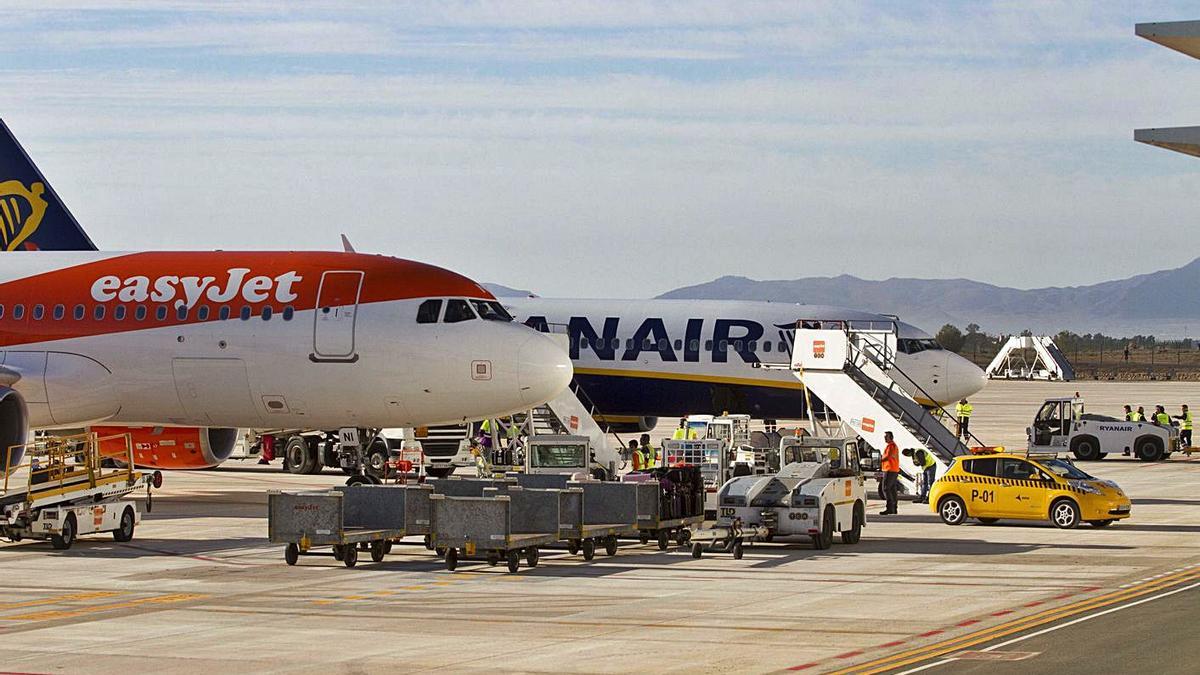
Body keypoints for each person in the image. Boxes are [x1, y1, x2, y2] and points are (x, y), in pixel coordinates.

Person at [880, 431, 900, 516]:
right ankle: (894, 508)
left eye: (886, 437)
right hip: (894, 469)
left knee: (885, 488)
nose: (885, 438)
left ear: (890, 437)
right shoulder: (894, 446)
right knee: (892, 489)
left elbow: (887, 457)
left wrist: (879, 460)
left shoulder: (891, 446)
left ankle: (889, 508)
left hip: (889, 469)